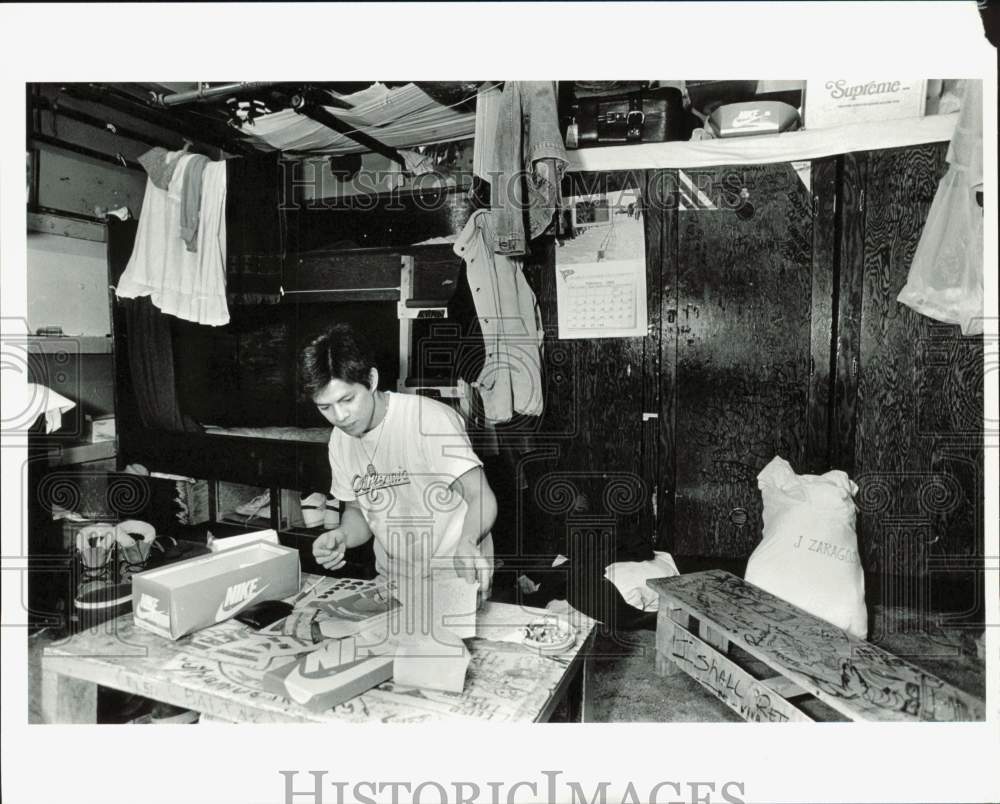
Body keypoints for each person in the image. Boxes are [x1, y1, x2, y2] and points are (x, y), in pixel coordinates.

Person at [300, 323, 496, 601]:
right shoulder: (339, 440)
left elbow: (480, 495)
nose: (340, 416)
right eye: (325, 407)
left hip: (455, 576)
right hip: (393, 581)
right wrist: (343, 536)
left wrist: (468, 541)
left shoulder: (428, 420)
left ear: (372, 379)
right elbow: (359, 511)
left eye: (347, 399)